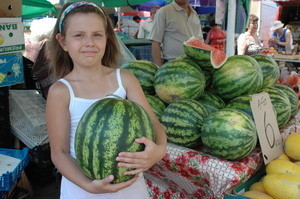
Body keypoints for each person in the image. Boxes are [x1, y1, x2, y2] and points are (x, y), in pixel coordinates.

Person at [46, 2, 167, 199]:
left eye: (97, 34)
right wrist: (89, 185)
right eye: (79, 35)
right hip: (83, 191)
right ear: (63, 42)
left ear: (107, 38)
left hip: (132, 191)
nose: (89, 42)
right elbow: (59, 153)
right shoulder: (61, 91)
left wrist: (159, 150)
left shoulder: (125, 79)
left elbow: (154, 124)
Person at [150, 0, 203, 66]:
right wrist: (159, 68)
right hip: (172, 64)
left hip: (194, 64)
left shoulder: (194, 13)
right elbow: (155, 42)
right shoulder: (163, 12)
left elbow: (200, 41)